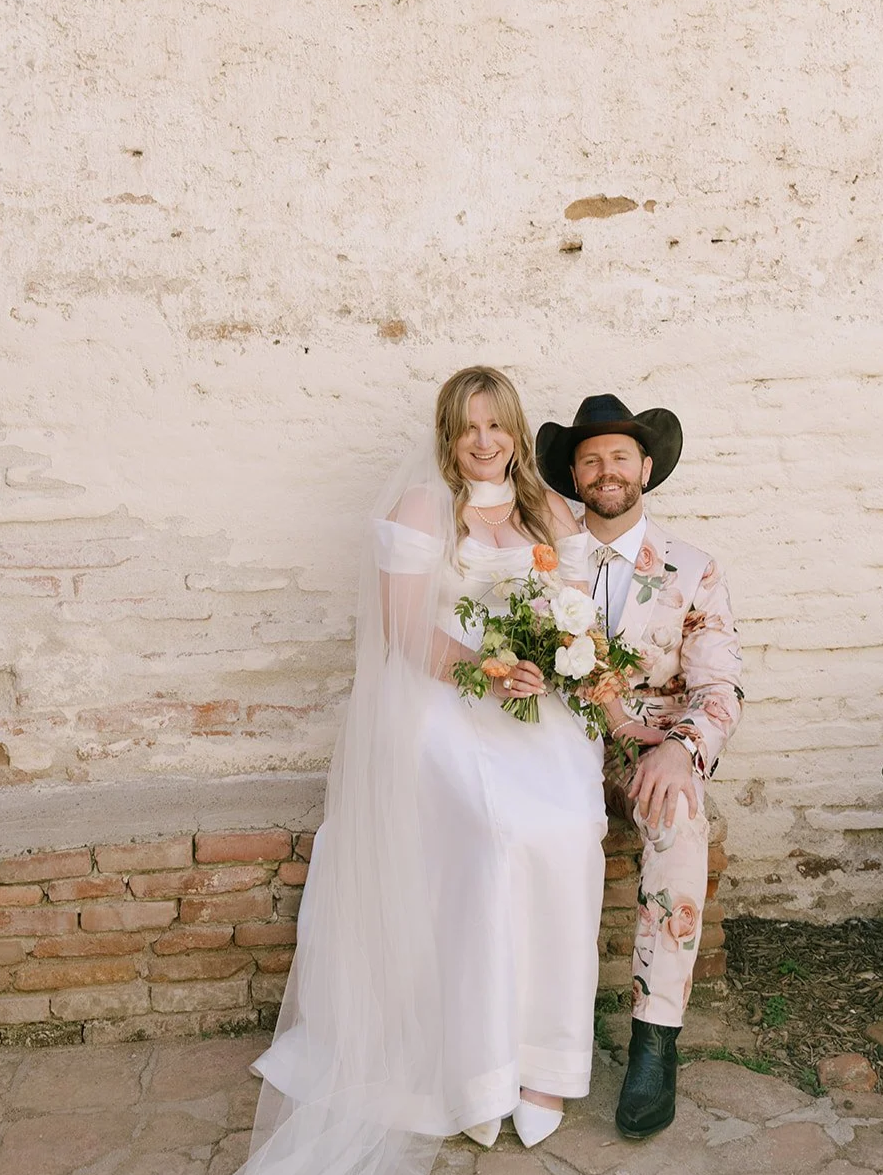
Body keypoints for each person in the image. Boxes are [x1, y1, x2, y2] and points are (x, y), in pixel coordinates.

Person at [240, 367, 644, 1175]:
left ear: (517, 434)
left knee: (566, 837)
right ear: (449, 437)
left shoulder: (548, 511)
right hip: (445, 709)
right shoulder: (422, 508)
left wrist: (555, 667)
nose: (485, 443)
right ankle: (476, 1065)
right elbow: (402, 632)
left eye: (497, 427)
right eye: (469, 428)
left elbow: (577, 625)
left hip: (537, 717)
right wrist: (492, 670)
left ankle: (546, 1061)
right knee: (494, 839)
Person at [537, 394, 743, 1141]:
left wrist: (682, 753)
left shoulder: (693, 567)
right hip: (546, 736)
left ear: (645, 466)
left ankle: (654, 1042)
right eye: (589, 458)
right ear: (572, 476)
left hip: (646, 745)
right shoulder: (541, 559)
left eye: (619, 455)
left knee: (679, 818)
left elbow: (719, 685)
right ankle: (516, 1029)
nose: (605, 469)